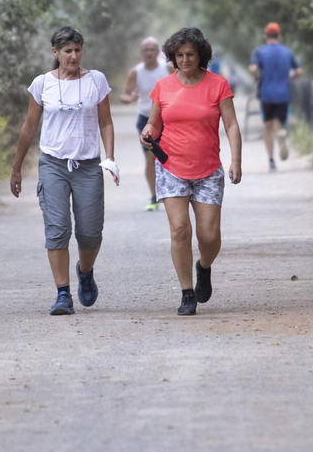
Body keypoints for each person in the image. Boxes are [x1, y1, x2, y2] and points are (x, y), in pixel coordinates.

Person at [10, 26, 120, 316]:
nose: (73, 56)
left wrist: (110, 158)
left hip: (87, 165)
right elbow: (29, 127)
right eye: (67, 51)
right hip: (53, 164)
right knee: (57, 230)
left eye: (78, 50)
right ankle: (63, 294)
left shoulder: (96, 80)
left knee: (90, 233)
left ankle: (85, 271)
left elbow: (105, 122)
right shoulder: (42, 83)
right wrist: (17, 167)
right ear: (55, 53)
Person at [142, 26, 243, 316]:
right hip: (171, 166)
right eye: (179, 55)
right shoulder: (163, 87)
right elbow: (154, 123)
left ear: (201, 55)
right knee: (179, 230)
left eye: (190, 54)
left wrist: (236, 160)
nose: (184, 60)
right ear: (172, 57)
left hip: (208, 168)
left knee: (209, 236)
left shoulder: (218, 85)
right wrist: (148, 132)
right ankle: (187, 292)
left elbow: (232, 125)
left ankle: (204, 266)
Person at [119, 37, 171, 211]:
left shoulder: (167, 69)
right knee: (150, 158)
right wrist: (130, 98)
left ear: (158, 52)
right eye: (146, 50)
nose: (149, 53)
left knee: (170, 156)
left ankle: (173, 193)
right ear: (141, 53)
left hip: (168, 119)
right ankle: (154, 196)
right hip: (146, 119)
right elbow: (124, 96)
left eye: (153, 49)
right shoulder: (136, 72)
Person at [248, 22, 301, 170]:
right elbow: (299, 70)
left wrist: (257, 77)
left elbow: (252, 68)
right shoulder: (287, 52)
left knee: (267, 126)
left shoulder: (260, 52)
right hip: (283, 93)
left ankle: (271, 159)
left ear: (266, 35)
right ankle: (282, 135)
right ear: (279, 35)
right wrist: (291, 78)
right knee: (279, 124)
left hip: (266, 93)